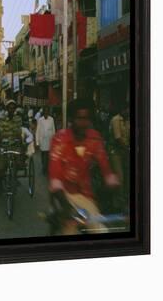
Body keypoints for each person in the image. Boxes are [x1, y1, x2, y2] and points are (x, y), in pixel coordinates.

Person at [48, 99, 120, 235]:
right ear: (70, 119)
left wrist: (112, 185)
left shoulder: (95, 138)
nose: (84, 123)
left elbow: (106, 168)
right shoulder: (59, 139)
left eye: (87, 119)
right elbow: (55, 177)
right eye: (79, 119)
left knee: (100, 232)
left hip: (85, 194)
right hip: (62, 194)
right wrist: (66, 208)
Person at [0, 100, 23, 194]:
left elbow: (19, 133)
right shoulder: (2, 119)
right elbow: (0, 133)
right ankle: (0, 185)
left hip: (15, 145)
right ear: (7, 109)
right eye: (10, 108)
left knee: (19, 163)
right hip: (5, 145)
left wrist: (21, 144)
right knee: (0, 167)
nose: (11, 110)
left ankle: (14, 178)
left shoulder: (18, 119)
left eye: (13, 108)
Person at [108, 105, 130, 207]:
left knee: (126, 176)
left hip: (125, 151)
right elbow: (118, 138)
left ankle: (124, 199)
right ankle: (118, 202)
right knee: (119, 176)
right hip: (115, 151)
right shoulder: (116, 120)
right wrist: (127, 148)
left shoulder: (127, 120)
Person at [36, 107, 56, 176]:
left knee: (48, 154)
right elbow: (38, 131)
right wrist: (37, 142)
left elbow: (53, 130)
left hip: (49, 139)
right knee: (43, 153)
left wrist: (54, 140)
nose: (46, 113)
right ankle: (44, 167)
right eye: (45, 112)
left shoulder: (51, 119)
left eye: (47, 112)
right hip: (43, 140)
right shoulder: (40, 120)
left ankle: (47, 167)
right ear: (43, 113)